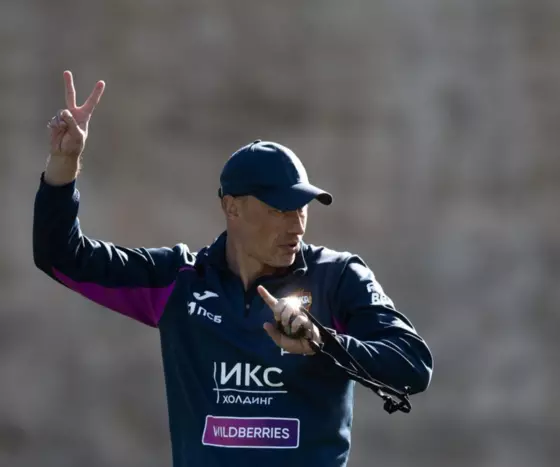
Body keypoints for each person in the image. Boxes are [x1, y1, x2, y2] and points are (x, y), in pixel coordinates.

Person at [34, 71, 433, 467]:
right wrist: (64, 163)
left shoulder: (338, 277)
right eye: (280, 210)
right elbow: (60, 256)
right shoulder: (179, 280)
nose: (296, 225)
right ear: (232, 208)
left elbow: (413, 366)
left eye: (301, 208)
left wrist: (321, 342)